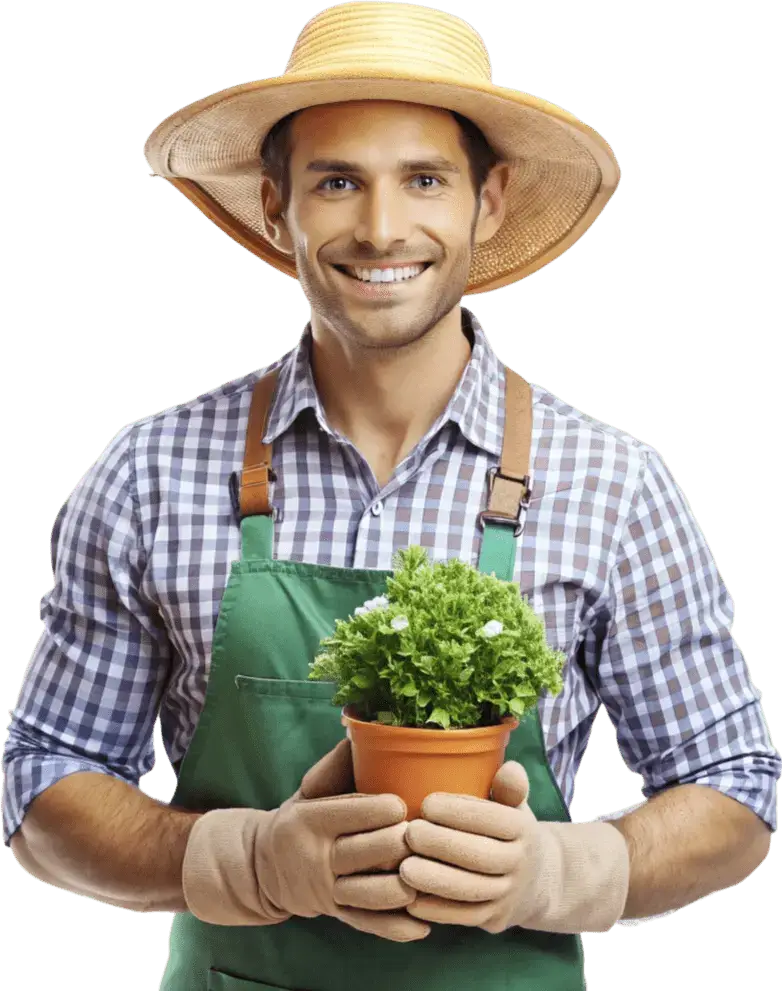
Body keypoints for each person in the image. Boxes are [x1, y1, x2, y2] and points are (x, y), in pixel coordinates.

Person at [3, 3, 779, 990]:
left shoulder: (612, 484)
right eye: (336, 182)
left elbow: (734, 787)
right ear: (275, 204)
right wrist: (240, 861)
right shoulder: (151, 472)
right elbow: (41, 778)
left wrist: (559, 869)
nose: (379, 228)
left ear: (485, 202)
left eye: (422, 178)